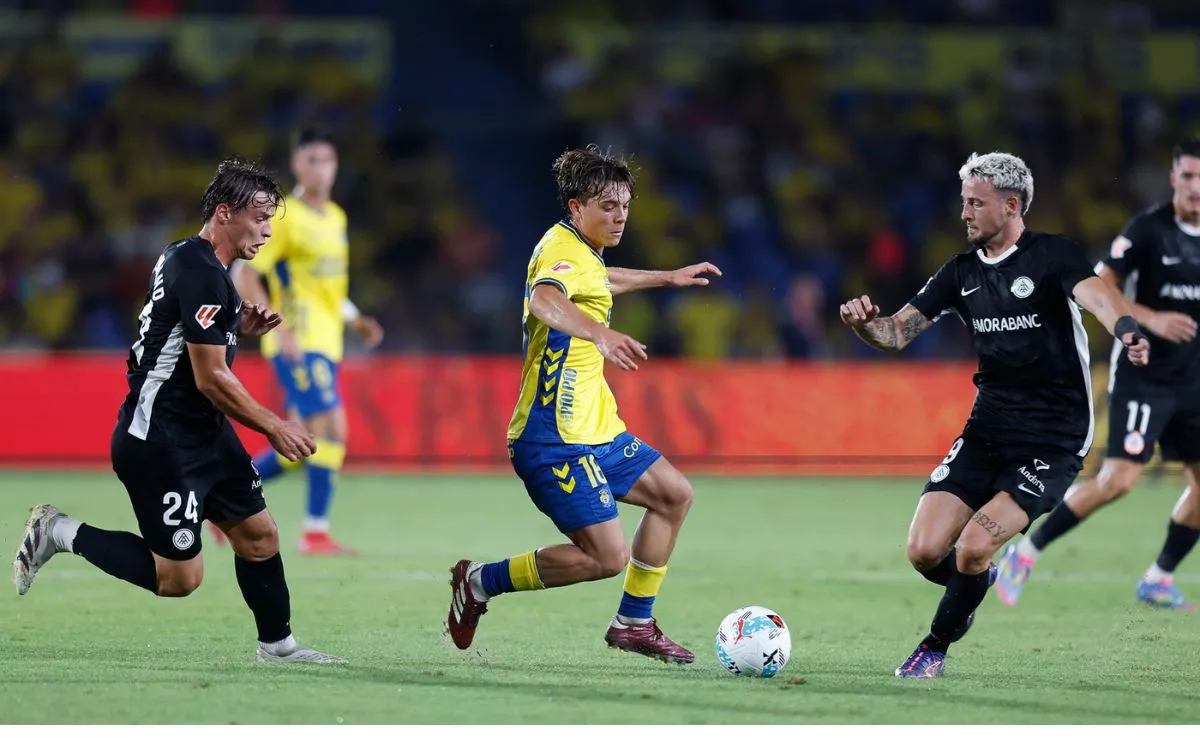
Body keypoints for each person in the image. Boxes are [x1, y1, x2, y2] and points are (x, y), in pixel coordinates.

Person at [12, 158, 343, 664]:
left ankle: (278, 647)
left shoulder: (192, 260)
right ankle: (59, 530)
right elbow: (210, 378)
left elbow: (182, 339)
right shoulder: (204, 273)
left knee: (259, 535)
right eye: (259, 219)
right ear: (226, 213)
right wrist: (274, 424)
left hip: (203, 431)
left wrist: (237, 326)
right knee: (179, 578)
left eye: (272, 221)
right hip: (160, 439)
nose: (268, 231)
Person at [838, 151, 1150, 679]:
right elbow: (896, 333)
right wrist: (864, 325)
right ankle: (975, 578)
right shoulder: (959, 273)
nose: (964, 213)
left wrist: (1128, 331)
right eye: (963, 202)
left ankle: (933, 648)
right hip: (988, 429)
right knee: (923, 550)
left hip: (1053, 439)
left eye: (975, 203)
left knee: (976, 543)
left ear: (1010, 205)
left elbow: (1100, 299)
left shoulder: (1053, 256)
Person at [445, 145, 721, 663]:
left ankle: (634, 623)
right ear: (575, 208)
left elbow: (600, 280)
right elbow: (544, 300)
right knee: (605, 558)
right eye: (606, 207)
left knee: (674, 496)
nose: (619, 218)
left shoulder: (582, 253)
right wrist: (600, 333)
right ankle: (480, 582)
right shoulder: (559, 252)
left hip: (597, 430)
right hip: (552, 438)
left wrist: (665, 277)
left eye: (624, 206)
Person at [995, 138, 1200, 611]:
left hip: (1192, 383)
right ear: (1173, 180)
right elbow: (1101, 281)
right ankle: (1024, 553)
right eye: (1185, 176)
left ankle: (1159, 578)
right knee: (1119, 481)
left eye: (1199, 177)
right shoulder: (1148, 231)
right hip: (1147, 375)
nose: (1192, 186)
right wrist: (1152, 319)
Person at [226, 129, 383, 556]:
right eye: (312, 160)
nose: (321, 168)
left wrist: (355, 319)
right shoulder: (285, 216)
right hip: (299, 341)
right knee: (329, 427)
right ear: (296, 165)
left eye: (327, 160)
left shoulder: (336, 218)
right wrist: (278, 328)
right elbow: (247, 275)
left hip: (327, 341)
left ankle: (223, 504)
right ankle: (314, 532)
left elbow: (326, 288)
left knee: (302, 441)